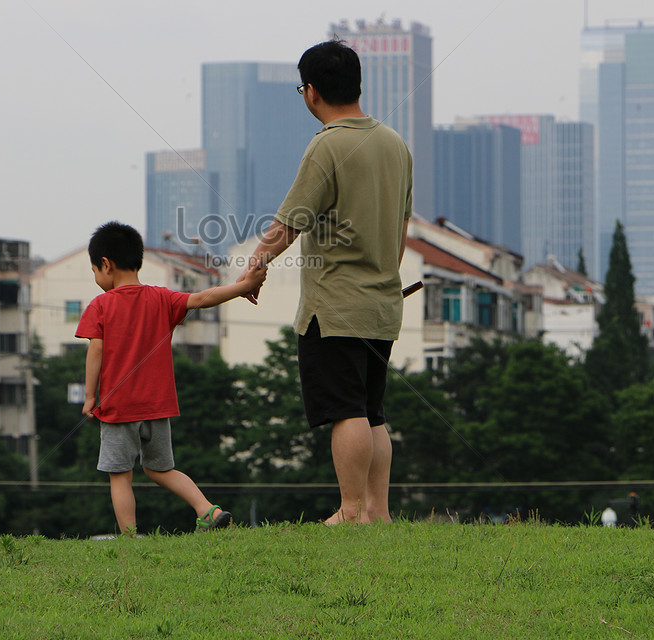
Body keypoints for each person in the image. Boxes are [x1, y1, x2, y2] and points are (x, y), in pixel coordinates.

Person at [240, 39, 413, 525]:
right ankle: (378, 512)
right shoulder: (394, 144)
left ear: (311, 91)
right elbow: (400, 233)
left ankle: (350, 510)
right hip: (382, 305)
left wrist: (256, 263)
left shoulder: (328, 144)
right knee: (372, 411)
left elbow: (290, 221)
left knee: (346, 411)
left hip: (334, 306)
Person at [77, 221, 266, 536]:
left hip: (118, 408)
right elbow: (204, 297)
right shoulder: (161, 298)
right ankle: (207, 509)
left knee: (120, 476)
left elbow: (95, 352)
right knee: (160, 469)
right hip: (157, 407)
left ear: (106, 265)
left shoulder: (100, 306)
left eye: (95, 270)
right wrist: (243, 287)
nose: (97, 278)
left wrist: (89, 396)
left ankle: (129, 538)